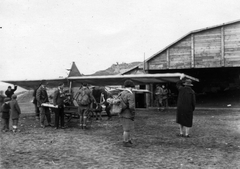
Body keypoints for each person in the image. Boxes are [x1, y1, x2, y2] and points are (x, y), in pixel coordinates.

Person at [119, 80, 135, 147]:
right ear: (131, 87)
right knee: (127, 129)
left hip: (121, 112)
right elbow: (131, 106)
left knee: (126, 128)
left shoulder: (121, 93)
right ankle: (125, 142)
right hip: (127, 113)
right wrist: (133, 112)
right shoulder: (130, 94)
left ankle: (128, 140)